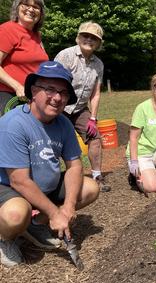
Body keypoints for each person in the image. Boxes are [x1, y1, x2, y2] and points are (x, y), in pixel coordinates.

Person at [0, 61, 99, 267]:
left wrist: (69, 207)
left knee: (90, 188)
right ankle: (4, 239)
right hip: (10, 188)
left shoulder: (63, 123)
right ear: (34, 91)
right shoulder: (13, 124)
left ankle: (35, 224)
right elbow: (19, 181)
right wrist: (55, 213)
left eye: (63, 92)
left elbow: (75, 166)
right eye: (50, 89)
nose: (57, 98)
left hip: (46, 186)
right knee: (16, 214)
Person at [54, 21, 111, 192]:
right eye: (85, 36)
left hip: (80, 109)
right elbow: (54, 83)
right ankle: (54, 181)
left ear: (99, 43)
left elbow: (95, 93)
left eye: (94, 38)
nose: (89, 40)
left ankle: (96, 176)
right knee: (55, 142)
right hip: (60, 107)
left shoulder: (98, 64)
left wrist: (93, 117)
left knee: (95, 138)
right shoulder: (66, 56)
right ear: (78, 37)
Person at [0, 0, 48, 115]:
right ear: (17, 8)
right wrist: (17, 87)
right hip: (8, 96)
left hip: (32, 97)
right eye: (26, 5)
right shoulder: (7, 29)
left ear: (41, 13)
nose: (31, 9)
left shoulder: (37, 35)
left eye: (36, 7)